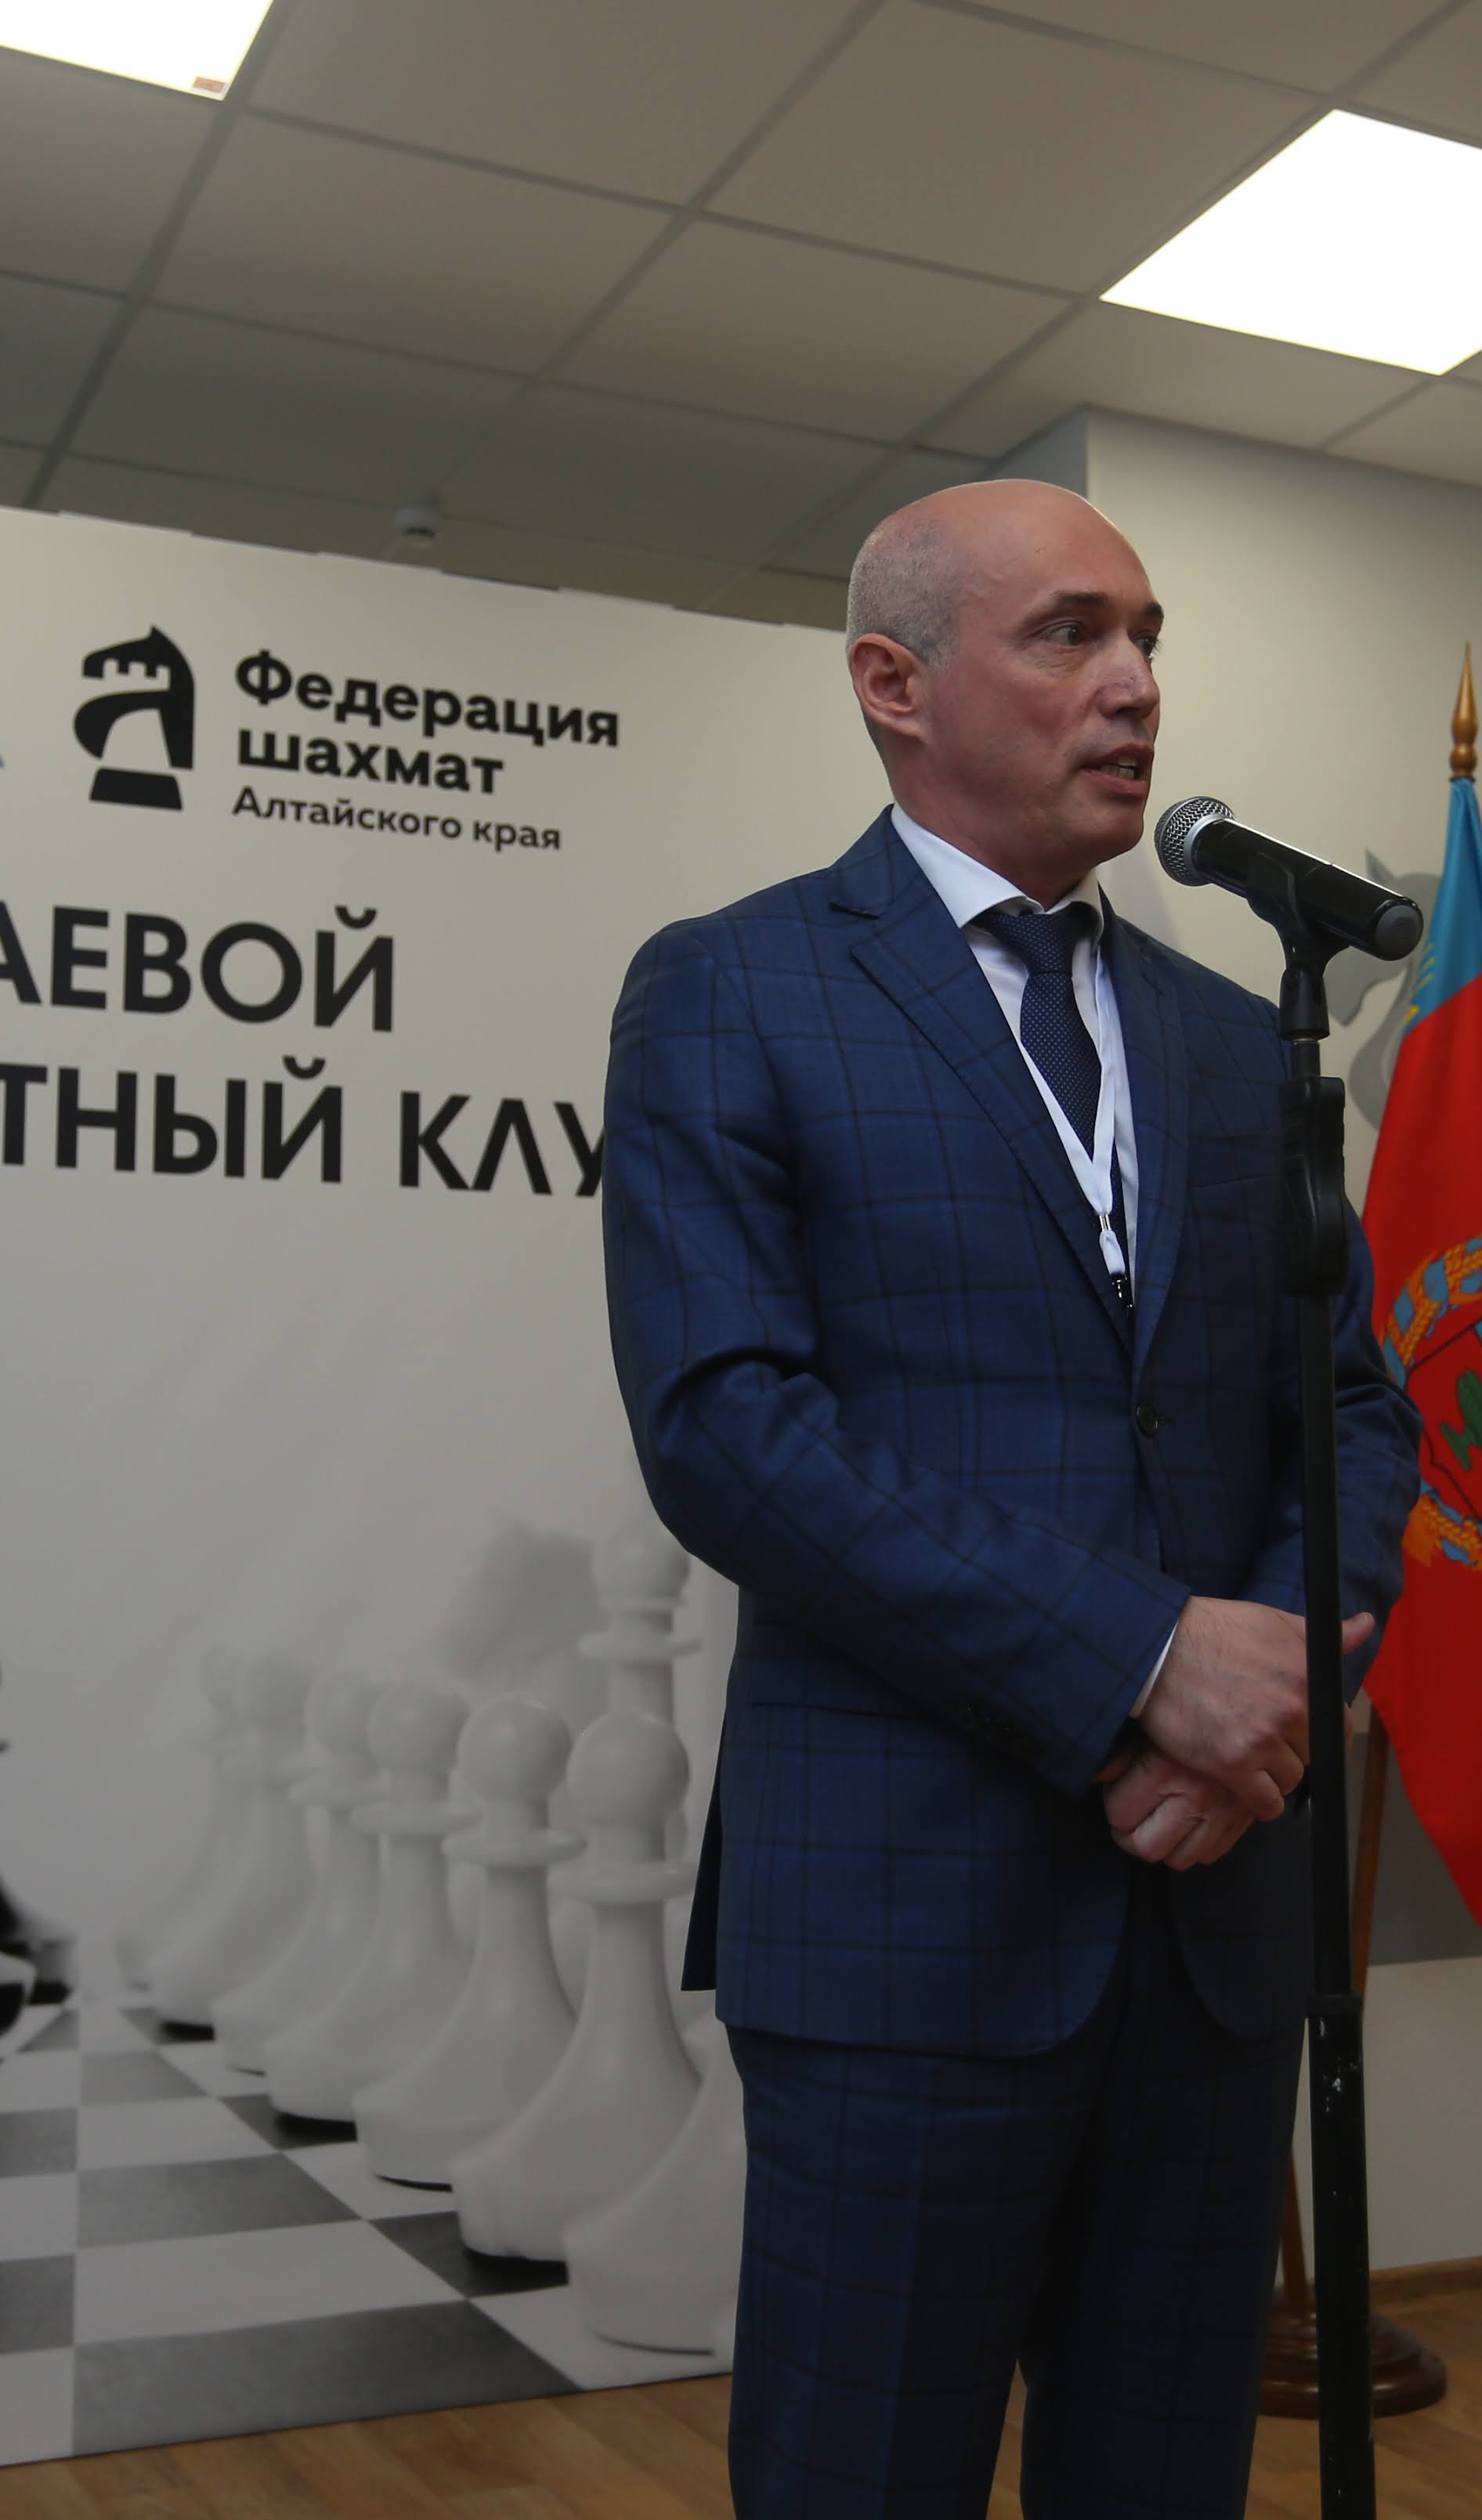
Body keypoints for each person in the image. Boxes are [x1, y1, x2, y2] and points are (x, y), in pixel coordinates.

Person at [601, 480, 1421, 2518]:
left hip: (1211, 1922)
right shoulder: (733, 987)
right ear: (894, 684)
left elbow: (1352, 1410)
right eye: (1070, 634)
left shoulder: (1236, 1041)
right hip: (906, 1923)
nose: (1133, 684)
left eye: (1147, 637)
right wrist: (1145, 1662)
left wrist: (1263, 1697)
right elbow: (725, 1426)